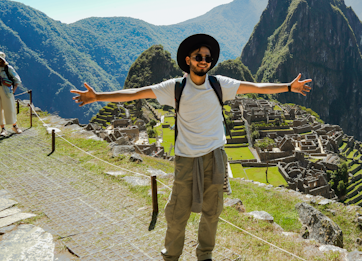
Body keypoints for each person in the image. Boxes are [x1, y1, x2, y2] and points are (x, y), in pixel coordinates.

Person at [70, 34, 312, 261]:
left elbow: (256, 88)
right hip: (186, 157)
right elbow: (136, 93)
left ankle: (204, 255)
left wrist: (289, 87)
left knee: (212, 210)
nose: (204, 61)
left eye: (208, 58)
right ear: (188, 60)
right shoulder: (175, 87)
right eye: (199, 57)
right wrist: (97, 96)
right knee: (177, 212)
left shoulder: (220, 84)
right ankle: (171, 255)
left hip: (215, 155)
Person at [0, 52, 23, 136]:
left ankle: (14, 126)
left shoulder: (8, 68)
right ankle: (3, 129)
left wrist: (13, 90)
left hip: (7, 91)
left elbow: (17, 80)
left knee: (10, 108)